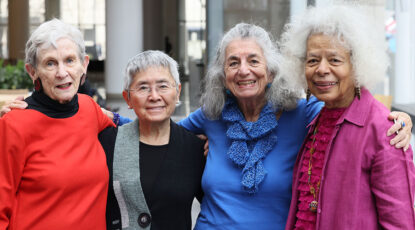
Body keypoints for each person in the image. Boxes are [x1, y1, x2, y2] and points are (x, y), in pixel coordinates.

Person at [178, 23, 413, 230]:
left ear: (271, 72)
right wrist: (194, 147)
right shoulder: (211, 116)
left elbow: (348, 109)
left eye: (253, 60)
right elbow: (161, 134)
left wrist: (399, 119)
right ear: (223, 77)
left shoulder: (304, 113)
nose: (243, 70)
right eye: (233, 63)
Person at [279, 5, 415, 229]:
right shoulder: (315, 119)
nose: (322, 69)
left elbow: (399, 224)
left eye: (334, 60)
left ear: (357, 65)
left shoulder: (386, 130)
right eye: (313, 60)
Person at [0, 19, 114, 229]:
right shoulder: (14, 123)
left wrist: (191, 137)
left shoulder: (90, 108)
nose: (62, 72)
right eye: (50, 63)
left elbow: (138, 130)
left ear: (84, 65)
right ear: (32, 71)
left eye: (70, 60)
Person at [100, 50, 205, 230]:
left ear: (178, 92)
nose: (154, 96)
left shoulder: (196, 149)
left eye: (163, 86)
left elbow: (215, 208)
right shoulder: (108, 142)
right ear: (128, 98)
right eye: (143, 87)